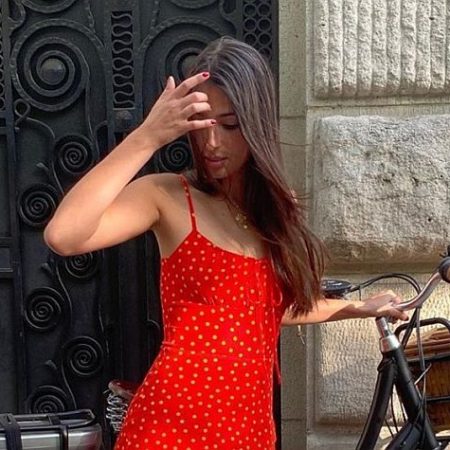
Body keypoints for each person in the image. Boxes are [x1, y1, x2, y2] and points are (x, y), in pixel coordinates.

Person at [44, 36, 407, 450]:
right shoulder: (169, 197)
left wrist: (357, 307)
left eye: (230, 125)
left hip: (249, 429)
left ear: (256, 123)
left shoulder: (272, 211)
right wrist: (147, 137)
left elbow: (261, 309)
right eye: (202, 124)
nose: (212, 143)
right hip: (174, 428)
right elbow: (63, 235)